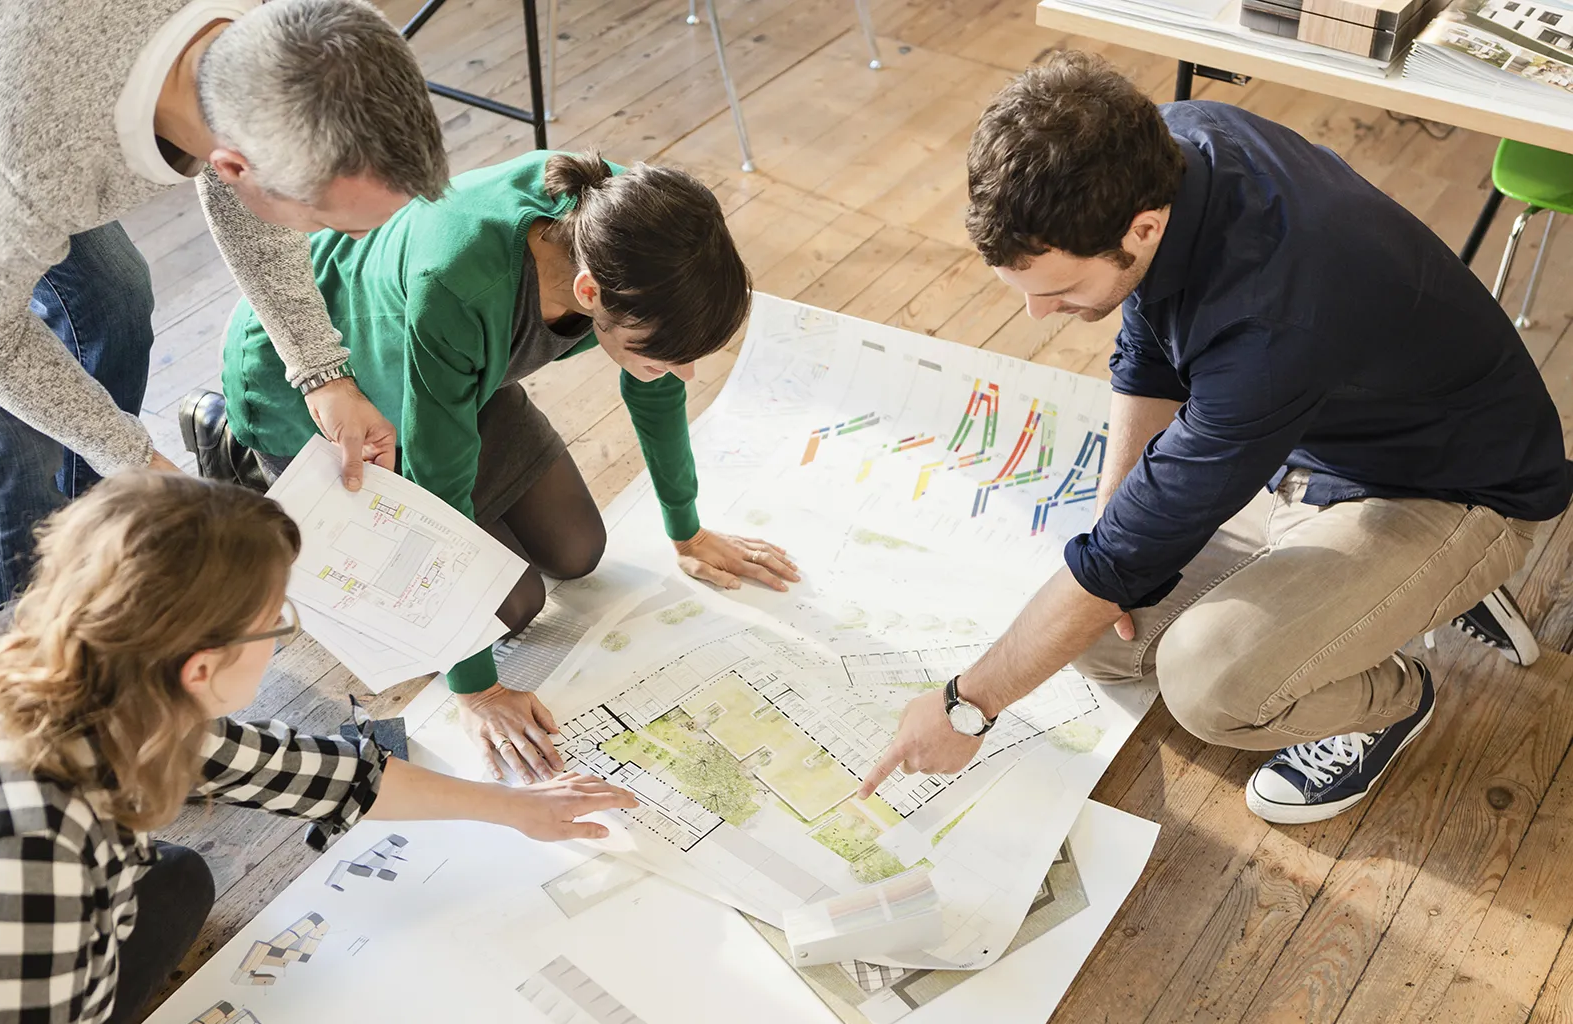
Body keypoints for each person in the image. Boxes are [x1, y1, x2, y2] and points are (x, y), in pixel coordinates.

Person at [860, 52, 1573, 824]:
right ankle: (1398, 595)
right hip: (1316, 443)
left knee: (1211, 684)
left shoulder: (1270, 323)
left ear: (1142, 227)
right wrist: (1115, 533)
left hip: (1453, 488)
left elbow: (1125, 554)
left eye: (1059, 290)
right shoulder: (1163, 146)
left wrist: (967, 707)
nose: (1038, 314)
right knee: (1096, 636)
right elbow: (1146, 353)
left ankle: (1395, 695)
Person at [0, 473, 637, 1024]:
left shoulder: (99, 669)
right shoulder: (31, 853)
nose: (284, 634)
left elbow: (306, 774)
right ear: (200, 668)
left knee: (180, 882)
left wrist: (514, 806)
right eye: (274, 624)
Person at [183, 149, 800, 785]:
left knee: (577, 550)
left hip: (459, 380)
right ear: (588, 292)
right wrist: (477, 689)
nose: (686, 374)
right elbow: (439, 486)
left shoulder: (631, 223)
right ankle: (232, 443)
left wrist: (686, 529)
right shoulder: (459, 281)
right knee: (514, 606)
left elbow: (659, 381)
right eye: (665, 355)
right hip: (324, 391)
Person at [0, 0, 446, 618]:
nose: (343, 239)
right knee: (5, 445)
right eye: (328, 222)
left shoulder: (268, 30)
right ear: (235, 166)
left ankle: (99, 539)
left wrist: (323, 371)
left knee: (115, 298)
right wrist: (134, 458)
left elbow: (246, 190)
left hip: (37, 83)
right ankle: (32, 653)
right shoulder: (36, 168)